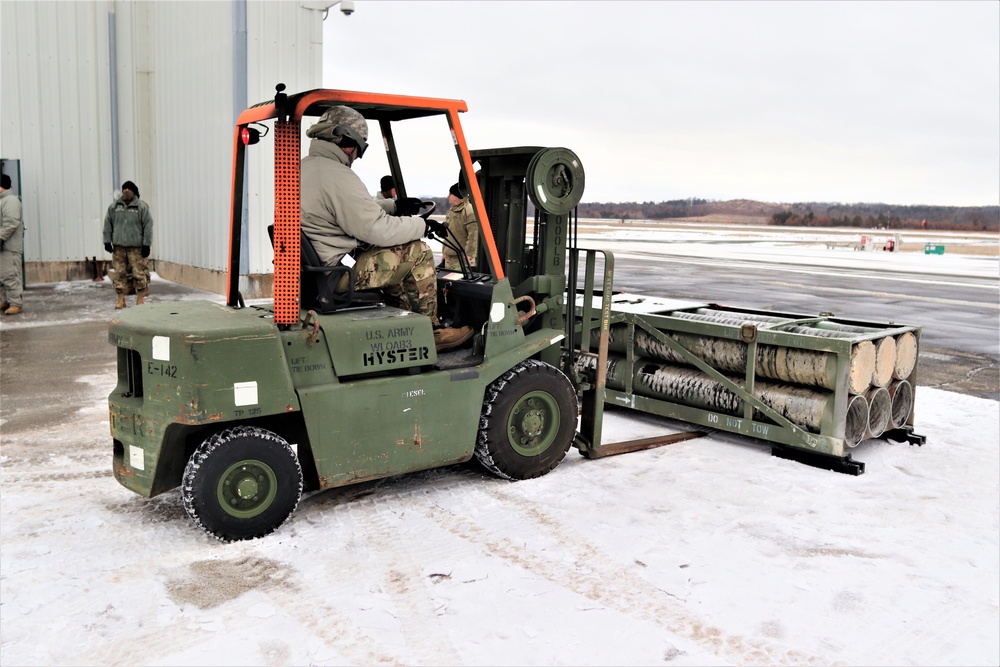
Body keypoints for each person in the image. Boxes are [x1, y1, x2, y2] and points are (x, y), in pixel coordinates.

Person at [299, 106, 472, 352]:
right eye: (361, 147)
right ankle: (431, 332)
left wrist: (394, 205)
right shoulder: (337, 175)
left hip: (317, 272)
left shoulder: (307, 168)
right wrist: (422, 225)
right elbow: (376, 229)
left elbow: (349, 208)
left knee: (391, 256)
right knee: (417, 252)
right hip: (336, 275)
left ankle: (404, 323)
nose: (358, 156)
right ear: (348, 140)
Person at [103, 180, 153, 309]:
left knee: (139, 273)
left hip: (136, 249)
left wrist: (146, 245)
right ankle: (121, 300)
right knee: (119, 274)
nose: (125, 191)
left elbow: (148, 226)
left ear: (134, 192)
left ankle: (140, 298)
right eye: (124, 189)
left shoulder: (141, 207)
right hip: (119, 248)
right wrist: (107, 241)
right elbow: (108, 224)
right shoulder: (114, 207)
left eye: (128, 189)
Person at [0, 174, 24, 316]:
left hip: (9, 247)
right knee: (2, 277)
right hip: (3, 247)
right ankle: (6, 300)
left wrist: (0, 238)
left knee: (10, 276)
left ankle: (16, 303)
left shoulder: (10, 201)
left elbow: (11, 222)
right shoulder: (3, 201)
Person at [441, 182, 478, 271]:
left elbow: (473, 235)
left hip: (462, 259)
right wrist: (445, 252)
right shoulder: (452, 210)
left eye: (451, 194)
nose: (448, 196)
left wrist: (469, 254)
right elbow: (448, 234)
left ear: (458, 195)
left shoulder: (469, 211)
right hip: (450, 258)